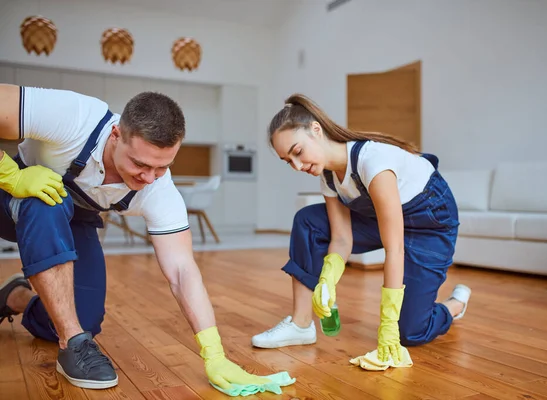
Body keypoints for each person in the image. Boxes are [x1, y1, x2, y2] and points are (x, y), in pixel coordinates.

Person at [0, 84, 275, 391]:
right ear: (116, 135)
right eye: (140, 164)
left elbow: (182, 272)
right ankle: (73, 343)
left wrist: (215, 354)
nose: (148, 178)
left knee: (87, 319)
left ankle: (16, 297)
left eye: (162, 167)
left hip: (72, 219)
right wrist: (12, 176)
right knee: (48, 203)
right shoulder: (73, 116)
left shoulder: (159, 190)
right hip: (10, 194)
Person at [251, 94, 472, 364]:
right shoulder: (328, 177)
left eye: (297, 152)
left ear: (316, 130)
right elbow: (342, 239)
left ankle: (455, 305)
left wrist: (388, 323)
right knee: (308, 221)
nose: (297, 166)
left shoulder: (372, 162)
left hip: (430, 223)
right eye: (288, 161)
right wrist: (328, 280)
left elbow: (395, 248)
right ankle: (300, 324)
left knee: (410, 332)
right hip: (387, 220)